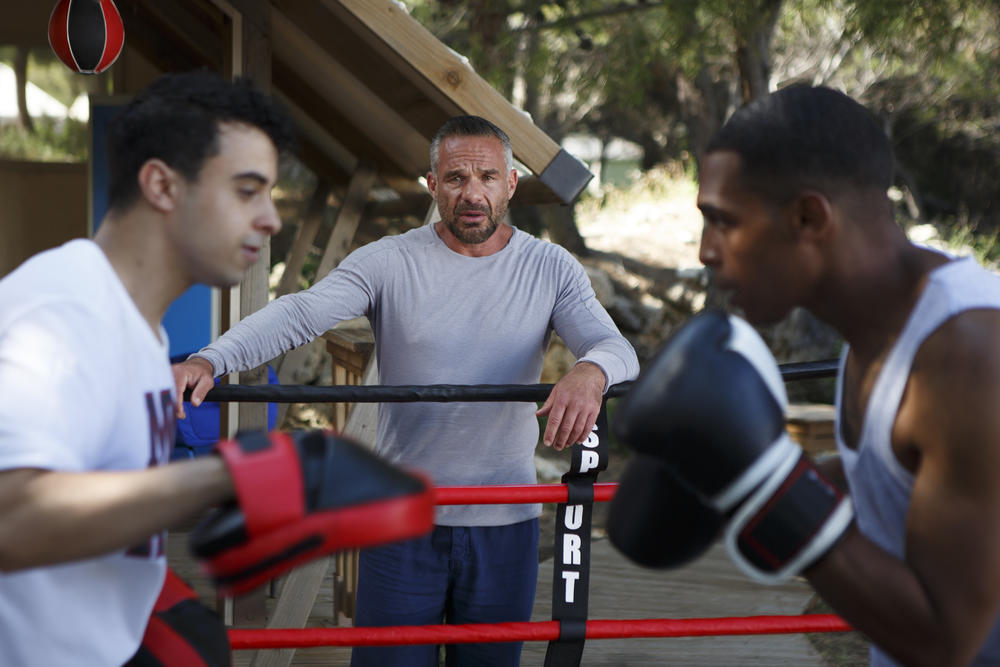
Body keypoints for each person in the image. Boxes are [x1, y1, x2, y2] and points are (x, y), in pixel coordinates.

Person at [0, 70, 432, 667]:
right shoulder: (61, 316)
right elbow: (9, 516)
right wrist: (230, 479)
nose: (270, 219)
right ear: (162, 185)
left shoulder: (137, 330)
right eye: (246, 190)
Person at [173, 114, 640, 666]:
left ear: (511, 184)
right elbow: (300, 313)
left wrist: (592, 372)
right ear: (432, 185)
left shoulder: (548, 266)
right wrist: (212, 357)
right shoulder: (390, 260)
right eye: (456, 178)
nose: (473, 193)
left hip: (504, 519)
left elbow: (616, 349)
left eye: (488, 178)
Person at [611, 84, 1000, 667]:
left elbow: (947, 644)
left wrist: (769, 486)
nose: (705, 253)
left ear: (808, 217)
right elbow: (898, 475)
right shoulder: (879, 330)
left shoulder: (967, 353)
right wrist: (731, 484)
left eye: (722, 222)